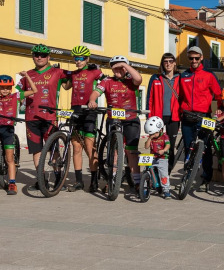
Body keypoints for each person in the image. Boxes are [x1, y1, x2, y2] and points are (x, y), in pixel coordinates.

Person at [88, 55, 143, 193]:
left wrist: (125, 66)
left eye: (121, 67)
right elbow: (95, 92)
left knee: (132, 152)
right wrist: (92, 100)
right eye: (115, 66)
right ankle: (111, 180)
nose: (118, 69)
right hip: (114, 118)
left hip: (131, 118)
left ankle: (137, 181)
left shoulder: (131, 81)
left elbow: (139, 79)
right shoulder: (107, 81)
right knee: (115, 153)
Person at [17, 44, 70, 173]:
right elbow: (19, 94)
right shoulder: (27, 75)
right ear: (33, 57)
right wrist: (21, 100)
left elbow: (68, 86)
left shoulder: (57, 72)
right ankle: (40, 179)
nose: (39, 57)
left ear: (48, 57)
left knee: (53, 149)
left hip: (49, 117)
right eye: (36, 55)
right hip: (31, 117)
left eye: (43, 55)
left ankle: (57, 177)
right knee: (36, 150)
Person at [177, 46, 222, 184]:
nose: (194, 60)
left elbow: (219, 95)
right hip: (187, 116)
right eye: (191, 58)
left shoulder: (209, 75)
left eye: (197, 58)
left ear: (201, 58)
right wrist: (179, 111)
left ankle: (206, 178)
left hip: (204, 115)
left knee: (206, 148)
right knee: (188, 146)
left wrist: (218, 109)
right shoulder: (183, 75)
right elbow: (179, 97)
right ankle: (188, 175)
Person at [65, 46, 105, 192]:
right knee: (76, 147)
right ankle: (79, 181)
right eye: (76, 58)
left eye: (81, 58)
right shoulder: (74, 74)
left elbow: (105, 83)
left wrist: (100, 70)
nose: (78, 61)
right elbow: (65, 86)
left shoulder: (95, 71)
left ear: (87, 59)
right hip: (75, 109)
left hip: (89, 110)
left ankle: (94, 181)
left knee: (89, 147)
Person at [146, 53, 180, 169]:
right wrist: (149, 117)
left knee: (169, 145)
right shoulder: (155, 78)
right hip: (157, 117)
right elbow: (149, 98)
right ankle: (153, 171)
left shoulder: (180, 78)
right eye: (165, 61)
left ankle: (167, 172)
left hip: (174, 117)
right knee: (155, 144)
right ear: (162, 64)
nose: (168, 64)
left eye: (171, 61)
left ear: (175, 63)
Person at [142, 116, 171, 199]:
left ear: (160, 130)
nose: (153, 135)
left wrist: (164, 150)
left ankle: (166, 190)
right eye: (151, 134)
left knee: (163, 174)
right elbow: (146, 147)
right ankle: (143, 188)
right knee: (145, 171)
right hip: (152, 157)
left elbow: (168, 145)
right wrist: (150, 138)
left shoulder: (165, 137)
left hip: (162, 158)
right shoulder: (151, 137)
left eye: (155, 133)